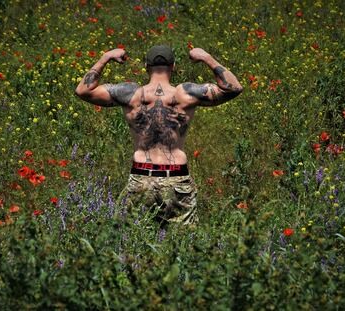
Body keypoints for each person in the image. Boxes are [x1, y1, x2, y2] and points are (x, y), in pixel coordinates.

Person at [75, 45, 243, 226]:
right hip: (176, 177)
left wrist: (106, 57)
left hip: (141, 176)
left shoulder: (130, 93)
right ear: (173, 67)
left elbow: (83, 91)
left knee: (136, 242)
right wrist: (206, 57)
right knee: (182, 245)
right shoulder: (185, 94)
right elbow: (233, 88)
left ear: (146, 66)